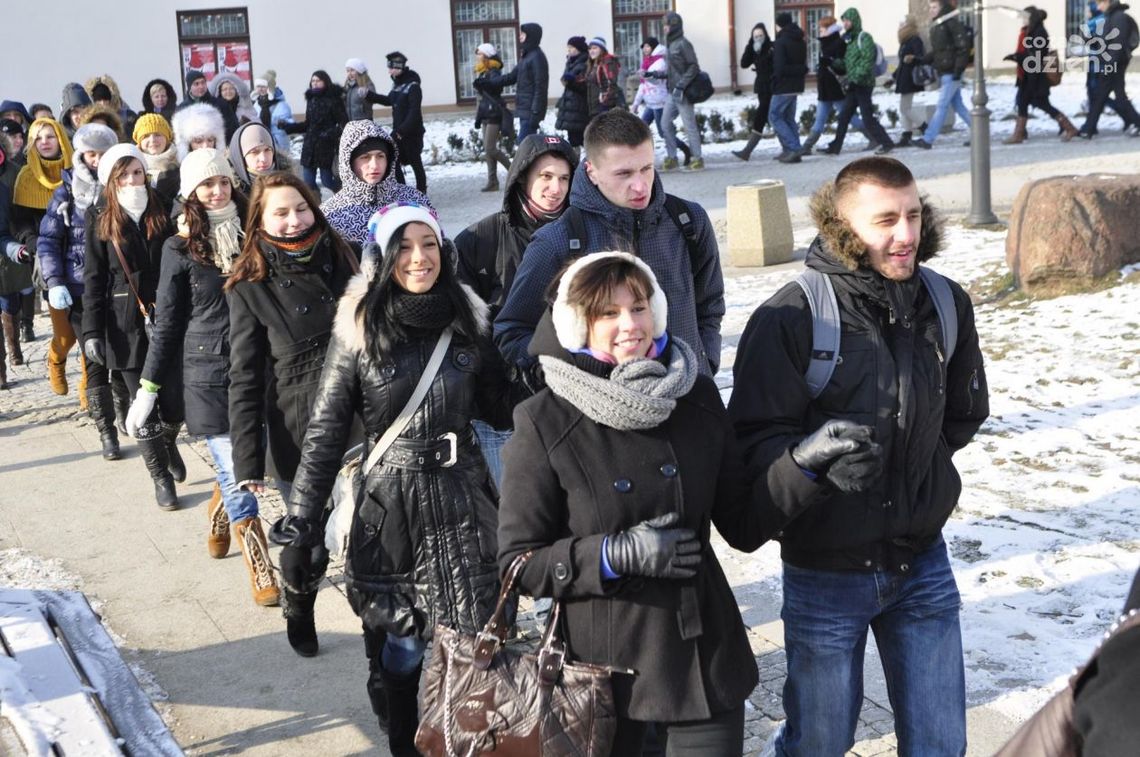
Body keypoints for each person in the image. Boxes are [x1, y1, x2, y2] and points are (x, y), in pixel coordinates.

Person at [728, 157, 990, 756]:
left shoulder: (947, 303)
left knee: (940, 744)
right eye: (886, 220)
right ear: (844, 226)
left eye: (914, 215)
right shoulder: (789, 315)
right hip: (825, 571)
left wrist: (915, 467)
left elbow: (963, 414)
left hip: (921, 562)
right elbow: (751, 442)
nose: (906, 235)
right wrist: (813, 464)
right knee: (818, 742)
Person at [498, 251, 792, 756]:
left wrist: (802, 468)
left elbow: (743, 524)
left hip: (701, 655)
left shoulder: (695, 396)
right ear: (576, 325)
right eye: (607, 314)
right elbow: (519, 562)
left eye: (638, 307)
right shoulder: (544, 420)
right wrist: (613, 555)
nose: (629, 325)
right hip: (603, 673)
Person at [271, 202, 519, 755]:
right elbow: (326, 428)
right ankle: (403, 737)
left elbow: (500, 408)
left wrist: (539, 360)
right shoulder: (358, 327)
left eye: (428, 244)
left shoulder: (467, 319)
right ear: (383, 257)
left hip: (463, 499)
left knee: (478, 639)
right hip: (394, 510)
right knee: (405, 646)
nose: (418, 258)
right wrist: (302, 519)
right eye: (404, 247)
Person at [125, 148, 279, 606]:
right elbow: (168, 321)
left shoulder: (256, 235)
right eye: (207, 185)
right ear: (191, 192)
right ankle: (259, 559)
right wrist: (148, 389)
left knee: (251, 459)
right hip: (207, 372)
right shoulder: (180, 247)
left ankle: (219, 507)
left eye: (223, 183)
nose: (217, 191)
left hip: (258, 368)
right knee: (239, 471)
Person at [495, 109, 724, 379]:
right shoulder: (557, 240)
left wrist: (705, 362)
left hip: (690, 399)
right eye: (624, 174)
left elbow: (709, 305)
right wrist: (571, 374)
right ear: (591, 172)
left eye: (646, 169)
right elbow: (512, 330)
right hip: (600, 412)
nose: (640, 186)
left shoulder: (688, 221)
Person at [225, 170, 358, 507]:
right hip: (300, 435)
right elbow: (245, 378)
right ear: (260, 221)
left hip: (362, 420)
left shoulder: (349, 256)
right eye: (281, 214)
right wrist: (248, 462)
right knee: (309, 550)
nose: (295, 221)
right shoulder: (250, 286)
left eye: (302, 209)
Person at [456, 133, 577, 480]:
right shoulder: (479, 240)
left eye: (564, 178)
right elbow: (466, 327)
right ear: (523, 176)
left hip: (568, 401)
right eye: (545, 176)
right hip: (499, 410)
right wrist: (495, 389)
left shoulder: (582, 233)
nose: (555, 188)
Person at [83, 144, 180, 505]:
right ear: (111, 178)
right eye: (122, 175)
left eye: (136, 172)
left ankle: (169, 444)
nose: (131, 180)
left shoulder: (163, 207)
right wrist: (91, 331)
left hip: (167, 314)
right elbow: (93, 279)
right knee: (144, 406)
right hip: (123, 323)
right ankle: (160, 478)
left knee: (173, 402)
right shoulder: (100, 217)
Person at [36, 123, 118, 408]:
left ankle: (98, 397)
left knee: (108, 342)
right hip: (78, 280)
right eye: (91, 154)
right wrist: (55, 280)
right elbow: (47, 239)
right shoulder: (67, 192)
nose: (96, 161)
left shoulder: (120, 185)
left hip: (113, 280)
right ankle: (63, 368)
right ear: (81, 155)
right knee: (79, 340)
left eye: (102, 154)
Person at [10, 119, 75, 346]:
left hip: (80, 255)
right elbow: (20, 222)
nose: (44, 142)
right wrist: (33, 242)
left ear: (60, 139)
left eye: (50, 136)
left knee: (88, 327)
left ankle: (91, 380)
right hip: (48, 258)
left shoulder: (76, 170)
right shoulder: (26, 177)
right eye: (38, 138)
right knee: (65, 335)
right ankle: (56, 366)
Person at [321, 120, 430, 247]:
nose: (374, 165)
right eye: (365, 157)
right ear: (349, 162)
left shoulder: (415, 201)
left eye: (380, 156)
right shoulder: (331, 214)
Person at [822, 8, 895, 155]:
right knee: (844, 116)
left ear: (854, 20)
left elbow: (867, 61)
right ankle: (836, 147)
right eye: (844, 21)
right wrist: (832, 63)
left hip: (863, 84)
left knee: (867, 117)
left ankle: (887, 143)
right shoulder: (850, 40)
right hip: (854, 84)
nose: (845, 24)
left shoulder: (864, 37)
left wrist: (856, 78)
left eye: (847, 21)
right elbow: (849, 64)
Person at [1004, 7, 1080, 143]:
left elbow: (1035, 57)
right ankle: (1020, 134)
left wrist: (1017, 57)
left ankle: (1069, 128)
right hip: (1030, 77)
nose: (1022, 20)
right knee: (1028, 103)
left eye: (1025, 18)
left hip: (1036, 78)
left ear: (1031, 18)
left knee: (1037, 103)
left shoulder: (1039, 33)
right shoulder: (1032, 31)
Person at [799, 17, 865, 156]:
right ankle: (807, 146)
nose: (820, 32)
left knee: (849, 116)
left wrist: (829, 62)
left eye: (822, 29)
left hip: (834, 88)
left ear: (829, 30)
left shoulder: (838, 43)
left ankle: (874, 137)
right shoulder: (827, 43)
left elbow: (842, 65)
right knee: (821, 119)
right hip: (825, 89)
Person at [914, 0, 973, 149]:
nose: (931, 10)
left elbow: (962, 47)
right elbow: (939, 50)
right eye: (930, 7)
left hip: (952, 71)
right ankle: (980, 133)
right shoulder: (938, 25)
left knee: (942, 105)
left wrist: (958, 70)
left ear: (942, 8)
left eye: (934, 7)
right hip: (945, 70)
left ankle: (928, 139)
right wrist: (923, 59)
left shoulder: (951, 23)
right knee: (958, 106)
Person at [365, 52, 427, 194]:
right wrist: (369, 95)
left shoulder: (413, 86)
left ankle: (422, 193)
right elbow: (389, 100)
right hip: (399, 131)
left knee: (415, 162)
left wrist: (401, 131)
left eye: (391, 68)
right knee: (395, 161)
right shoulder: (397, 85)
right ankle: (403, 192)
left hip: (411, 133)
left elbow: (414, 112)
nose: (389, 71)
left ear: (398, 68)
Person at [1078, 0, 1140, 139]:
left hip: (1113, 64)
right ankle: (1089, 128)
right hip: (1110, 63)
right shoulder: (1112, 16)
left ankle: (1089, 128)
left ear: (1107, 2)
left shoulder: (1118, 17)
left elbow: (1117, 44)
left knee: (1108, 96)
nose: (1098, 7)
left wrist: (1109, 63)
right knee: (1106, 96)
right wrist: (1089, 38)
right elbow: (1105, 43)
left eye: (1100, 3)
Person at [280, 70, 346, 194]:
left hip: (325, 147)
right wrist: (288, 127)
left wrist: (328, 134)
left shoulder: (334, 99)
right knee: (308, 182)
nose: (315, 83)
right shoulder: (311, 99)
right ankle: (316, 205)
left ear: (325, 82)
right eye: (313, 81)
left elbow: (343, 123)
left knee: (327, 181)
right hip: (310, 147)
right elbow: (308, 124)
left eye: (318, 80)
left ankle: (340, 198)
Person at [634, 38, 694, 166]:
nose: (645, 49)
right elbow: (642, 86)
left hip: (660, 102)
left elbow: (658, 81)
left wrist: (647, 76)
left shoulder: (660, 62)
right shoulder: (646, 62)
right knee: (641, 128)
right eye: (643, 47)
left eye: (647, 46)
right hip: (650, 103)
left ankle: (685, 150)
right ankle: (640, 158)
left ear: (654, 47)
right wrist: (636, 103)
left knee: (663, 132)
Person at [660, 11, 704, 171]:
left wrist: (681, 85)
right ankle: (672, 157)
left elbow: (694, 67)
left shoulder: (683, 43)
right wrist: (659, 75)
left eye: (667, 25)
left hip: (683, 92)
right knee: (665, 124)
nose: (664, 28)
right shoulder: (669, 44)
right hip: (672, 92)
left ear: (674, 26)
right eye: (664, 25)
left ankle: (697, 158)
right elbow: (673, 70)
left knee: (689, 125)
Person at [496, 23, 549, 143]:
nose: (519, 36)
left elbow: (540, 86)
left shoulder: (537, 57)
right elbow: (511, 77)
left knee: (524, 144)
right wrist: (489, 82)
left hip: (531, 110)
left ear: (530, 36)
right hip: (525, 109)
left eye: (523, 34)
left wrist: (535, 111)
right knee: (527, 145)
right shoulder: (526, 57)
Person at [768, 12, 809, 163]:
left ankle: (794, 148)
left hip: (783, 86)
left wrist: (773, 81)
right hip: (797, 85)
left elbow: (779, 68)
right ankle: (790, 151)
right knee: (788, 118)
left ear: (778, 25)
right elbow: (801, 64)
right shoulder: (800, 39)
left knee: (775, 116)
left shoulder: (780, 42)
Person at [472, 42, 513, 192]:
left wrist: (484, 84)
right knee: (488, 149)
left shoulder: (493, 71)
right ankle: (493, 181)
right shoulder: (482, 71)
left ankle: (514, 172)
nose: (477, 57)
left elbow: (497, 87)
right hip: (485, 113)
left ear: (487, 55)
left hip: (494, 113)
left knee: (490, 148)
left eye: (480, 54)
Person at [733, 24, 774, 161]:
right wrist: (751, 46)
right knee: (771, 118)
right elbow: (744, 63)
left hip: (771, 87)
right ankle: (792, 147)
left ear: (765, 35)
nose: (758, 38)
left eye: (760, 35)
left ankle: (747, 151)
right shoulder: (754, 48)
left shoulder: (771, 47)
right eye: (755, 36)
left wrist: (762, 52)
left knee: (762, 118)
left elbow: (771, 65)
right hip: (761, 88)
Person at [227, 121, 289, 195]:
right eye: (254, 152)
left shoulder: (289, 186)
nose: (263, 159)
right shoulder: (229, 194)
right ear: (240, 157)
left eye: (267, 150)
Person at [893, 16, 928, 147]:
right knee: (905, 108)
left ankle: (924, 127)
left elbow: (922, 57)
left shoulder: (915, 39)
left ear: (909, 25)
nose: (900, 25)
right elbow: (901, 62)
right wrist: (894, 76)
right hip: (903, 77)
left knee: (905, 108)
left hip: (910, 78)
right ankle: (906, 136)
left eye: (903, 23)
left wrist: (913, 58)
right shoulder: (905, 40)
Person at [132, 113, 180, 206]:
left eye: (157, 135)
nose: (153, 140)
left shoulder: (181, 163)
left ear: (167, 138)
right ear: (139, 141)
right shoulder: (131, 165)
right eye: (146, 136)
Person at [179, 70, 240, 140]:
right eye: (196, 84)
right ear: (189, 87)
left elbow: (233, 129)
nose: (201, 86)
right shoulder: (183, 108)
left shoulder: (221, 105)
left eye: (203, 82)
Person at [555, 36, 590, 148]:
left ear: (578, 49)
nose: (569, 50)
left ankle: (582, 163)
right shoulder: (570, 62)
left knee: (580, 139)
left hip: (579, 107)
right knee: (573, 140)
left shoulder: (585, 63)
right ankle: (576, 163)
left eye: (571, 47)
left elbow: (584, 86)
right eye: (568, 47)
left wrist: (571, 82)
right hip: (571, 107)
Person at [85, 75, 138, 140]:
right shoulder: (88, 121)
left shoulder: (128, 117)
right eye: (99, 100)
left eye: (105, 99)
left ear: (111, 99)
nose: (102, 103)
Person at [209, 72, 258, 140]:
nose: (228, 91)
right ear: (220, 92)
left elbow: (257, 127)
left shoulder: (245, 107)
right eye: (224, 89)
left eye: (231, 88)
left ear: (236, 90)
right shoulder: (215, 110)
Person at [253, 70, 293, 153]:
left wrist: (284, 123)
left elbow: (290, 122)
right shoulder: (256, 104)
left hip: (279, 145)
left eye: (263, 86)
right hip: (262, 143)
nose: (260, 89)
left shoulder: (281, 105)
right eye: (258, 86)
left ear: (270, 88)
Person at [585, 37, 623, 120]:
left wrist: (604, 101)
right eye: (590, 48)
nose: (591, 51)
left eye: (595, 48)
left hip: (604, 107)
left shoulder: (607, 62)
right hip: (594, 107)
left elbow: (611, 83)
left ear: (602, 49)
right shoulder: (593, 64)